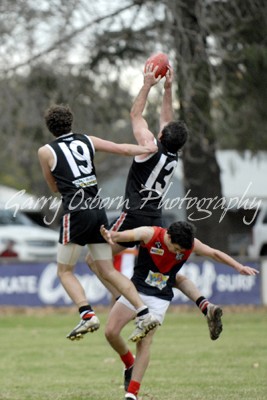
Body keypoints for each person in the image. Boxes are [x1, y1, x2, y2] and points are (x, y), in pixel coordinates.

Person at [86, 62, 223, 341]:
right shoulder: (173, 155)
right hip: (156, 221)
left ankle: (125, 300)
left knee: (93, 259)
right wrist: (169, 89)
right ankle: (204, 305)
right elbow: (167, 122)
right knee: (167, 274)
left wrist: (148, 84)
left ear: (160, 136)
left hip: (135, 217)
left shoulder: (149, 145)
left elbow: (135, 114)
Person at [38, 104, 161, 342]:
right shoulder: (86, 140)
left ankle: (87, 314)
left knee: (64, 271)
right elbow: (122, 149)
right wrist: (147, 148)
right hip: (98, 211)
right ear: (71, 122)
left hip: (75, 212)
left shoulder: (46, 151)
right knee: (107, 269)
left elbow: (53, 186)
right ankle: (144, 312)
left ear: (50, 128)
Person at [100, 221, 259, 400]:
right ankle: (129, 362)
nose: (177, 253)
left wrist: (239, 267)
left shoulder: (188, 244)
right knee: (111, 332)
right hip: (135, 291)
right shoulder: (150, 234)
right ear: (168, 236)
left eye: (181, 251)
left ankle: (132, 394)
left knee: (145, 342)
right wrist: (111, 235)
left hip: (159, 297)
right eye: (175, 248)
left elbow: (213, 253)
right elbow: (127, 235)